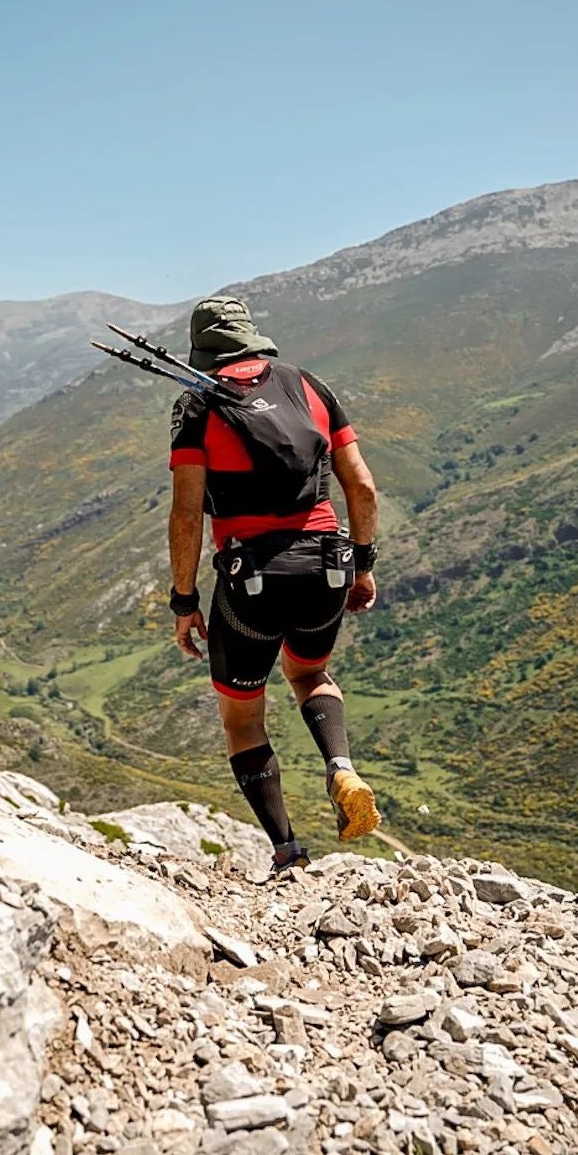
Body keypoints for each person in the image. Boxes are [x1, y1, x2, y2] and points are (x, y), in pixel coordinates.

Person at [167, 295, 382, 873]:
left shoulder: (197, 406)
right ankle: (341, 768)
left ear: (203, 352)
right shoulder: (308, 386)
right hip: (326, 567)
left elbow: (188, 513)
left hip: (252, 581)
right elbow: (360, 487)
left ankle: (288, 849)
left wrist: (184, 600)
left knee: (243, 717)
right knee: (310, 674)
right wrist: (362, 566)